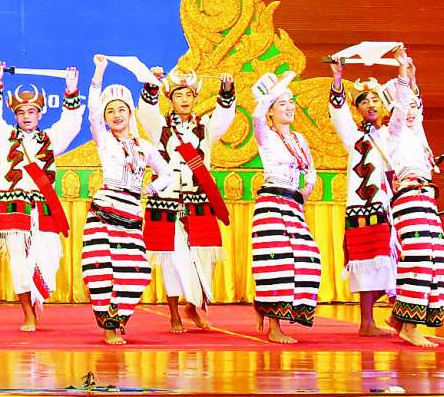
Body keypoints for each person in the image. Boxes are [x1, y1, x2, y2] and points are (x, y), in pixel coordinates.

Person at [0, 61, 84, 332]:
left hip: (42, 209)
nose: (26, 116)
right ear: (15, 115)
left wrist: (71, 89)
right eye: (21, 112)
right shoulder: (4, 138)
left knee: (48, 257)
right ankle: (28, 313)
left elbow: (71, 124)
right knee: (19, 260)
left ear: (39, 114)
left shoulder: (50, 140)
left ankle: (37, 300)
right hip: (14, 209)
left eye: (32, 111)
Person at [136, 67, 236, 332]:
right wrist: (152, 84)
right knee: (171, 258)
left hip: (199, 202)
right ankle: (173, 314)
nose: (184, 99)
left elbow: (225, 117)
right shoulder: (160, 127)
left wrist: (226, 91)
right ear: (171, 99)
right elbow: (146, 112)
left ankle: (192, 305)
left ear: (195, 98)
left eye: (188, 95)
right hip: (166, 202)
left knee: (205, 256)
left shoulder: (205, 128)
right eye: (179, 95)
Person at [83, 56, 172, 344]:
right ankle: (109, 327)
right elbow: (92, 110)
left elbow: (167, 173)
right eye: (110, 111)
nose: (116, 115)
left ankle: (117, 317)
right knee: (101, 269)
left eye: (121, 109)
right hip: (104, 211)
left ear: (131, 112)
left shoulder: (145, 147)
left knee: (137, 272)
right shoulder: (104, 140)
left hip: (132, 213)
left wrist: (151, 189)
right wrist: (99, 72)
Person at [381, 46, 444, 347]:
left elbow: (415, 103)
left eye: (414, 106)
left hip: (425, 198)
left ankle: (399, 318)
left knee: (441, 260)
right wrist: (401, 71)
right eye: (406, 106)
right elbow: (402, 105)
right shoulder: (393, 133)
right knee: (421, 258)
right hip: (409, 198)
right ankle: (409, 326)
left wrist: (411, 73)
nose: (411, 111)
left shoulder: (416, 131)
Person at [326, 59, 397, 336]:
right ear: (358, 109)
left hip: (393, 205)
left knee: (396, 261)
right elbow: (338, 111)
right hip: (365, 208)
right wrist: (337, 78)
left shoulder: (393, 133)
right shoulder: (353, 136)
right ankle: (367, 322)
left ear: (384, 105)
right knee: (368, 264)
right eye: (364, 101)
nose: (370, 105)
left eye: (375, 100)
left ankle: (395, 316)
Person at [249, 71, 321, 344]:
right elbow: (257, 113)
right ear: (270, 110)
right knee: (276, 262)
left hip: (293, 203)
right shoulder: (265, 134)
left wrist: (306, 190)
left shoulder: (300, 139)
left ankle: (265, 306)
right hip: (271, 202)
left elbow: (311, 170)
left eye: (291, 101)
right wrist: (282, 83)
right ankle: (275, 327)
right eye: (282, 103)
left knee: (309, 257)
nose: (289, 107)